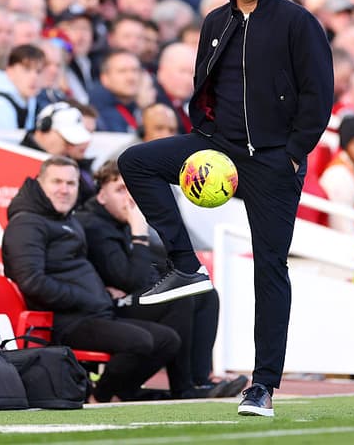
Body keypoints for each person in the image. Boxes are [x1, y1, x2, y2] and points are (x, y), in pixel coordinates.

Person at [118, 0, 333, 417]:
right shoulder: (216, 21)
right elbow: (205, 84)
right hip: (217, 148)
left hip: (274, 161)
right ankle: (185, 264)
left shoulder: (299, 23)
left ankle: (262, 386)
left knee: (270, 269)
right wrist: (206, 133)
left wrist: (294, 154)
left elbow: (319, 97)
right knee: (136, 161)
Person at [2, 156, 181, 402]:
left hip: (94, 312)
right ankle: (99, 397)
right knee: (140, 342)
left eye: (71, 183)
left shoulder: (66, 220)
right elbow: (32, 282)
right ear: (40, 183)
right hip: (66, 322)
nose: (64, 189)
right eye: (57, 182)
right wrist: (86, 297)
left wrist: (101, 291)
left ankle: (119, 393)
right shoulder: (26, 223)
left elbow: (78, 268)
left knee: (167, 340)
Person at [76, 160, 247, 399]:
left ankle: (200, 379)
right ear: (101, 195)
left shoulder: (120, 220)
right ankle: (184, 387)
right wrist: (138, 234)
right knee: (180, 299)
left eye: (130, 189)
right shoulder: (95, 225)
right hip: (104, 310)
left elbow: (148, 273)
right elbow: (131, 279)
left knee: (205, 294)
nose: (129, 198)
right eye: (119, 190)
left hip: (127, 299)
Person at [20, 102, 97, 208]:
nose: (70, 146)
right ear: (45, 128)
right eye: (66, 140)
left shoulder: (73, 163)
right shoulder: (18, 162)